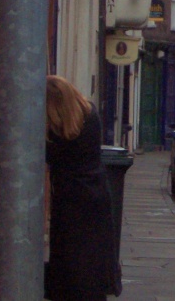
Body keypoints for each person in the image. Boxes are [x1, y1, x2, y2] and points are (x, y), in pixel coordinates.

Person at [45, 75, 122, 300]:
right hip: (97, 196)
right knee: (94, 265)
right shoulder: (90, 116)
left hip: (70, 203)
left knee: (71, 267)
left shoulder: (59, 135)